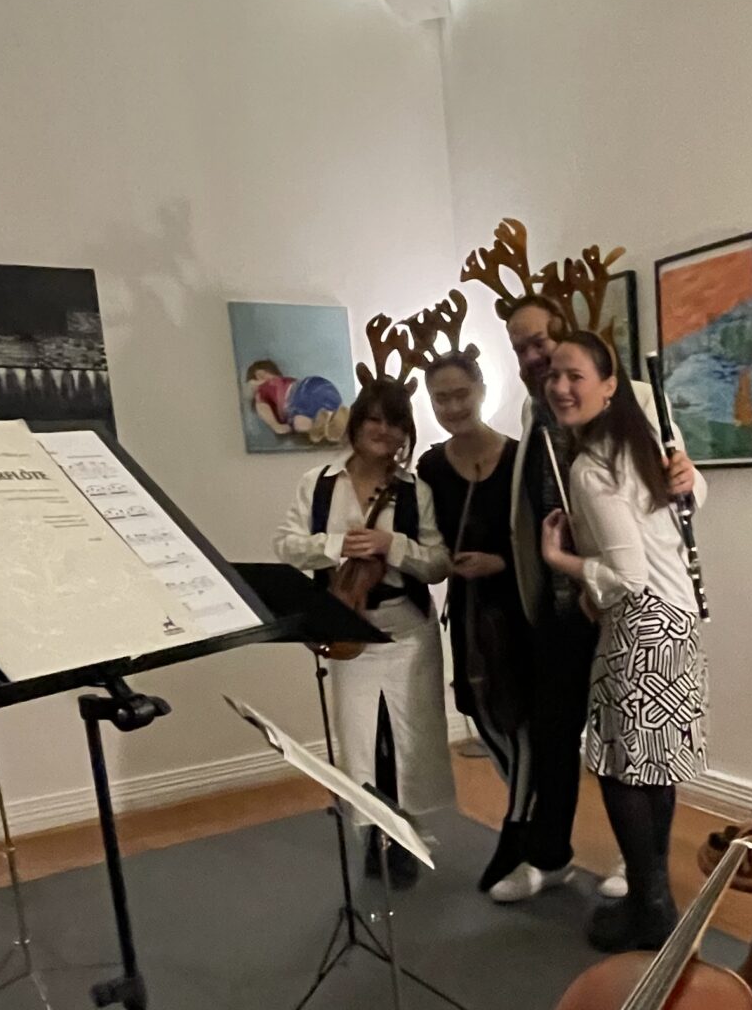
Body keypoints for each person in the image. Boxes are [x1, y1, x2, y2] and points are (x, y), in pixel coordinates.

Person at [492, 298, 699, 906]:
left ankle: (642, 871)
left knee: (639, 752)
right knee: (555, 734)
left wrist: (691, 476)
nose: (534, 358)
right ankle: (552, 857)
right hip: (565, 607)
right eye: (521, 348)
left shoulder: (637, 399)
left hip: (621, 601)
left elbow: (681, 490)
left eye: (540, 341)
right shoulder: (535, 411)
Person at [539, 330, 708, 951]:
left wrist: (561, 560)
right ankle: (652, 900)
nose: (560, 387)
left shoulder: (591, 468)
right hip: (680, 617)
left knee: (620, 769)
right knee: (653, 765)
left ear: (610, 386)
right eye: (554, 375)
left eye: (575, 376)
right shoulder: (640, 440)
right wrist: (694, 482)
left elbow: (627, 577)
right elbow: (686, 503)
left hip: (639, 624)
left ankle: (651, 907)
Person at [275, 376, 449, 886]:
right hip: (347, 624)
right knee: (361, 741)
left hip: (406, 629)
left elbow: (437, 563)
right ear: (356, 424)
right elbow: (286, 544)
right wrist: (336, 546)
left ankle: (404, 836)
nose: (384, 431)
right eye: (375, 419)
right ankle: (374, 832)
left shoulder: (415, 491)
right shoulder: (319, 483)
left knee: (406, 739)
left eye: (396, 423)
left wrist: (392, 545)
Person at [416, 351, 533, 890]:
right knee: (485, 719)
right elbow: (428, 540)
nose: (453, 406)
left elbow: (548, 535)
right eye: (441, 398)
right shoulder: (431, 467)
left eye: (461, 394)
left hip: (521, 610)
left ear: (482, 389)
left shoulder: (521, 458)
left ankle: (522, 843)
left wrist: (500, 563)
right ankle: (538, 835)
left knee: (524, 727)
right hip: (468, 613)